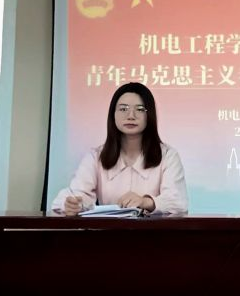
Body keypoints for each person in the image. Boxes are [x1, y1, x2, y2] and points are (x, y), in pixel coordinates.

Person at [52, 82, 187, 216]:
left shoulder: (168, 155)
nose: (131, 116)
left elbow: (178, 203)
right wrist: (72, 204)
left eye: (140, 109)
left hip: (153, 230)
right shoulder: (95, 157)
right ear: (113, 114)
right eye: (123, 109)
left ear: (149, 115)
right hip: (108, 229)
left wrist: (146, 202)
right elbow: (71, 197)